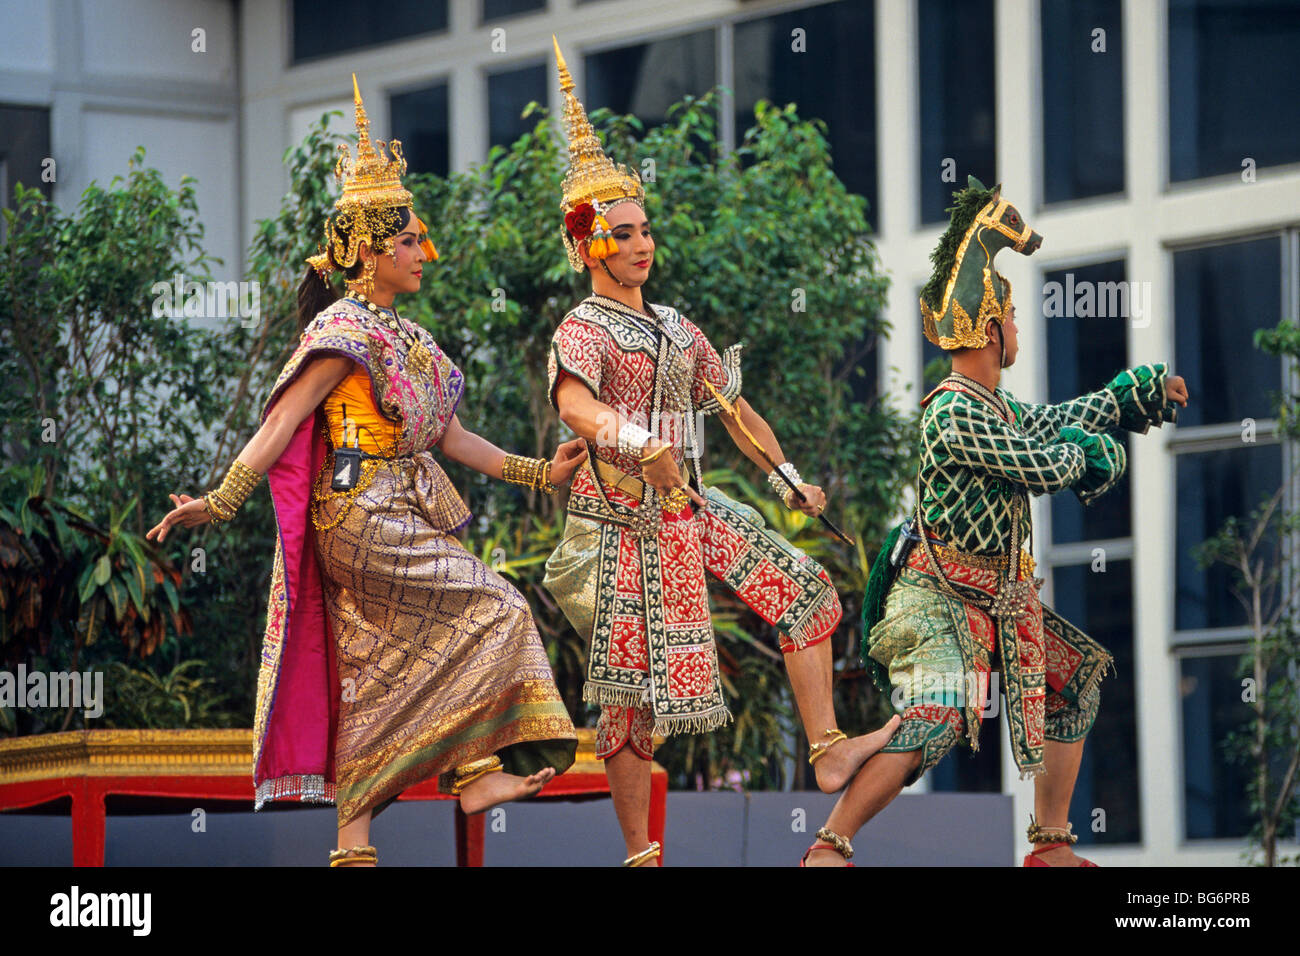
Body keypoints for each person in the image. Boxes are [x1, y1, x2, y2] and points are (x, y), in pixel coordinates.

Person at [147, 77, 584, 867]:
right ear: (372, 249)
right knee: (497, 606)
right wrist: (219, 502)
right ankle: (477, 770)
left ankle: (355, 842)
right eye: (414, 239)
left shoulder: (406, 338)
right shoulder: (342, 330)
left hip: (396, 510)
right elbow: (281, 423)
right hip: (360, 515)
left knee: (377, 674)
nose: (428, 252)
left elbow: (453, 439)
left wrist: (539, 473)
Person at [540, 38, 899, 868]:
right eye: (622, 233)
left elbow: (735, 413)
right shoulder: (584, 328)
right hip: (624, 522)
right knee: (631, 701)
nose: (641, 243)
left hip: (689, 508)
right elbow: (575, 404)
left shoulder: (675, 325)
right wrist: (633, 442)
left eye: (645, 229)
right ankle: (641, 857)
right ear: (590, 245)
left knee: (808, 594)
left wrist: (788, 477)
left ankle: (828, 748)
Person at [810, 176, 1190, 866]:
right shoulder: (954, 410)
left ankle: (1048, 846)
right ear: (990, 328)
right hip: (936, 597)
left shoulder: (999, 407)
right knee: (940, 716)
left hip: (999, 597)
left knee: (1073, 682)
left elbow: (1058, 424)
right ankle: (831, 845)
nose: (1018, 330)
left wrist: (1131, 396)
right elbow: (1039, 465)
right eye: (1012, 319)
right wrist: (1093, 452)